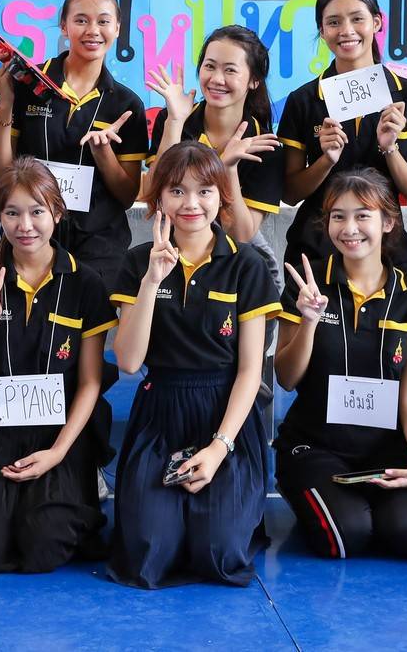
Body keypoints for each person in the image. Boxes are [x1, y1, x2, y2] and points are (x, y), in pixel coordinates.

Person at [0, 159, 115, 573]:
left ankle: (76, 484)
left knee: (44, 543)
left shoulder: (86, 283)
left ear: (57, 213)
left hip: (58, 426)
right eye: (12, 213)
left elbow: (90, 382)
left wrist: (59, 452)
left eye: (37, 211)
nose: (25, 225)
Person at [107, 143, 277, 589]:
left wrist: (220, 447)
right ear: (159, 197)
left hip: (225, 416)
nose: (191, 203)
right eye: (177, 191)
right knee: (148, 553)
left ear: (221, 196)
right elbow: (129, 361)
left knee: (219, 552)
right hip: (160, 412)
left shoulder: (246, 265)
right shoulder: (137, 261)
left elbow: (250, 372)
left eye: (204, 191)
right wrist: (151, 282)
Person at [273, 167, 407, 561]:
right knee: (346, 535)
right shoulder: (307, 284)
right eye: (338, 216)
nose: (349, 228)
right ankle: (310, 489)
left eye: (362, 215)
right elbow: (286, 378)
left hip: (387, 450)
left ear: (388, 222)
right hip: (316, 445)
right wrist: (309, 321)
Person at [0, 0, 146, 283]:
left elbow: (127, 196)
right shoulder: (27, 83)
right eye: (81, 20)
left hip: (100, 245)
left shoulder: (126, 105)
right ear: (63, 25)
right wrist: (6, 102)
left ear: (118, 29)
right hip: (32, 235)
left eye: (103, 21)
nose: (93, 30)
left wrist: (104, 154)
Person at [277, 0, 407, 282]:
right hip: (316, 250)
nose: (346, 31)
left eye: (357, 19)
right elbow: (290, 193)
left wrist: (390, 149)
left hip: (387, 250)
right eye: (333, 22)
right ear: (322, 30)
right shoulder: (303, 100)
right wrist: (326, 160)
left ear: (376, 22)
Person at [148, 24, 287, 256]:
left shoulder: (265, 147)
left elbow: (241, 235)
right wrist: (175, 121)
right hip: (174, 249)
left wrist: (228, 169)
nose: (216, 79)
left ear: (254, 80)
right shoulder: (173, 118)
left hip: (237, 260)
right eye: (210, 66)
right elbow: (153, 197)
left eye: (230, 70)